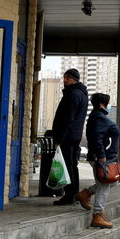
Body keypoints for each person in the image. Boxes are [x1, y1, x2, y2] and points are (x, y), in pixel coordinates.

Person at [76, 93, 119, 228]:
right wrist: (101, 156)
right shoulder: (98, 118)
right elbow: (97, 138)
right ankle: (97, 216)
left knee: (112, 182)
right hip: (101, 158)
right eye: (107, 103)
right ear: (102, 105)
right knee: (104, 185)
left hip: (107, 157)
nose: (108, 106)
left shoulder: (98, 117)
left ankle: (86, 193)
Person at [51, 68, 89, 206]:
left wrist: (59, 138)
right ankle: (74, 193)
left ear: (73, 79)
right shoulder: (82, 94)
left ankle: (69, 195)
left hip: (67, 136)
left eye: (66, 77)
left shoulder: (72, 94)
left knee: (67, 166)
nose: (64, 80)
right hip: (75, 135)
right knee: (72, 165)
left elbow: (67, 118)